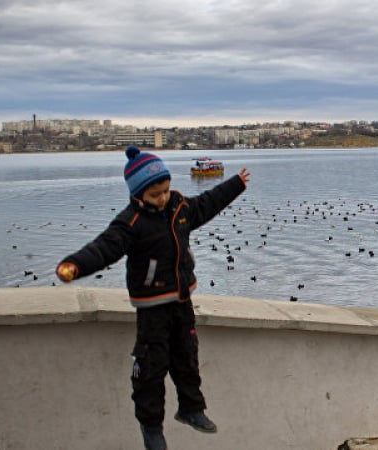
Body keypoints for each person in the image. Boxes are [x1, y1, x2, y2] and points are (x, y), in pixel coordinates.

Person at [55, 146, 251, 450]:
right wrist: (75, 265)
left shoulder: (179, 207)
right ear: (138, 195)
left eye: (165, 190)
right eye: (155, 194)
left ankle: (191, 409)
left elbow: (208, 204)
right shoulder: (131, 223)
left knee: (187, 357)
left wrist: (235, 184)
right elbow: (103, 248)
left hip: (182, 300)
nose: (162, 198)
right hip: (152, 306)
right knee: (150, 369)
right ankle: (151, 427)